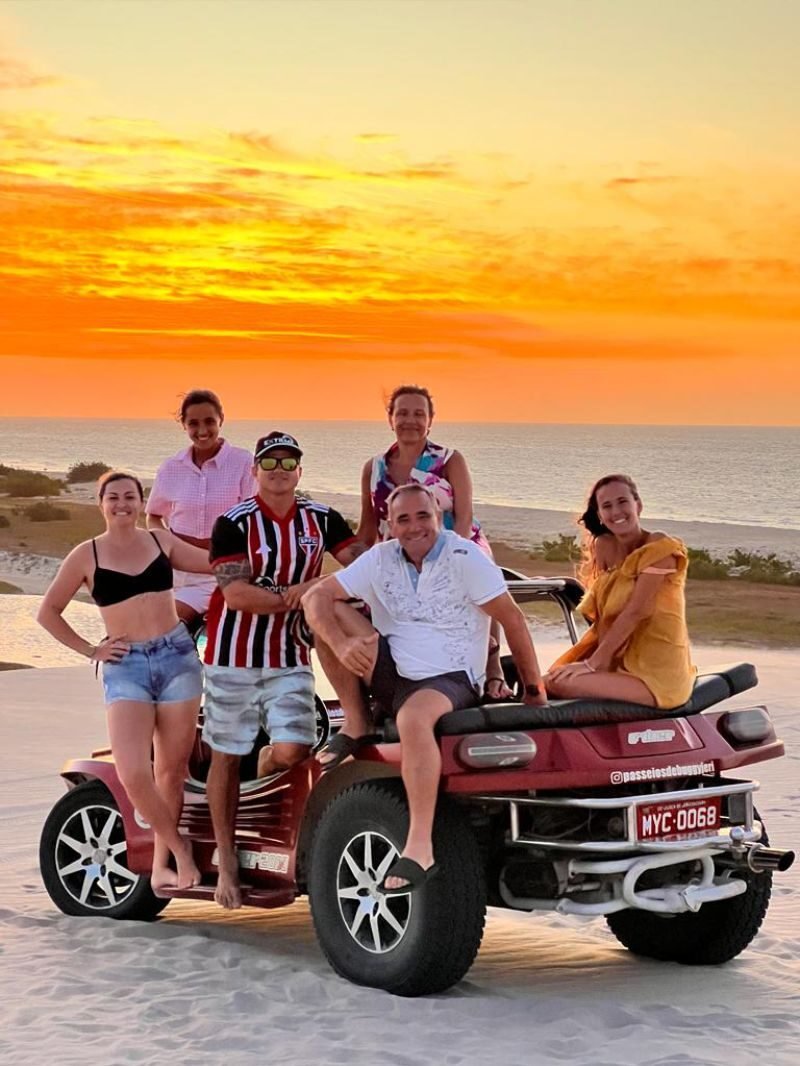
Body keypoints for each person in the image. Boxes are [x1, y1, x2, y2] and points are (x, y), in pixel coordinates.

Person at [303, 483, 547, 894]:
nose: (415, 526)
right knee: (328, 615)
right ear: (389, 525)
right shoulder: (381, 557)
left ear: (438, 516)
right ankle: (356, 721)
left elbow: (513, 620)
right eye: (404, 519)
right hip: (392, 670)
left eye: (423, 516)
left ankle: (419, 847)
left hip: (450, 676)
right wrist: (342, 644)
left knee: (414, 718)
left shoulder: (465, 557)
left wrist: (534, 691)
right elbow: (315, 597)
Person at [202, 431, 366, 909]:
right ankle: (227, 862)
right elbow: (236, 595)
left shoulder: (321, 518)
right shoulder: (233, 523)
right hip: (232, 655)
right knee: (224, 755)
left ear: (300, 470)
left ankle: (265, 770)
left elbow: (360, 568)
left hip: (289, 654)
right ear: (255, 470)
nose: (279, 470)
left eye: (288, 462)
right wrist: (294, 597)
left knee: (294, 750)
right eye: (269, 462)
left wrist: (315, 587)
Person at [37, 471, 212, 893]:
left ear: (141, 501)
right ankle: (180, 848)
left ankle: (163, 866)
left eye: (130, 496)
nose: (122, 504)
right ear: (101, 503)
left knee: (171, 771)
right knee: (133, 771)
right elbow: (48, 612)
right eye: (113, 497)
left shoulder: (160, 541)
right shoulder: (86, 554)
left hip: (177, 658)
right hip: (125, 666)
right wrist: (90, 650)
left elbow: (215, 564)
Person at [358, 383, 512, 702]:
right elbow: (367, 528)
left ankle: (492, 666)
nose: (410, 420)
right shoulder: (374, 468)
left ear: (430, 419)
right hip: (398, 550)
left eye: (419, 414)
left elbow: (465, 517)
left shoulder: (449, 460)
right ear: (390, 418)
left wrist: (448, 560)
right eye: (402, 413)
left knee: (479, 573)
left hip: (455, 542)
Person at [544, 474, 696, 708]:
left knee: (558, 685)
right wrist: (599, 664)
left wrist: (593, 664)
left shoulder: (659, 547)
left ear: (638, 505)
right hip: (618, 660)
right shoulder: (604, 546)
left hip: (657, 673)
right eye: (607, 506)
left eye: (623, 502)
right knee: (540, 684)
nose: (616, 511)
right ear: (600, 515)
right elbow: (605, 615)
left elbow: (637, 611)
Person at [146, 388, 255, 628]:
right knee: (139, 627)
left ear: (221, 420)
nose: (202, 430)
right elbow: (154, 516)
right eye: (193, 423)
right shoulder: (171, 467)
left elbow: (254, 519)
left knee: (166, 627)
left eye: (209, 421)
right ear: (184, 425)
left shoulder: (243, 462)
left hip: (222, 573)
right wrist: (166, 545)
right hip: (172, 572)